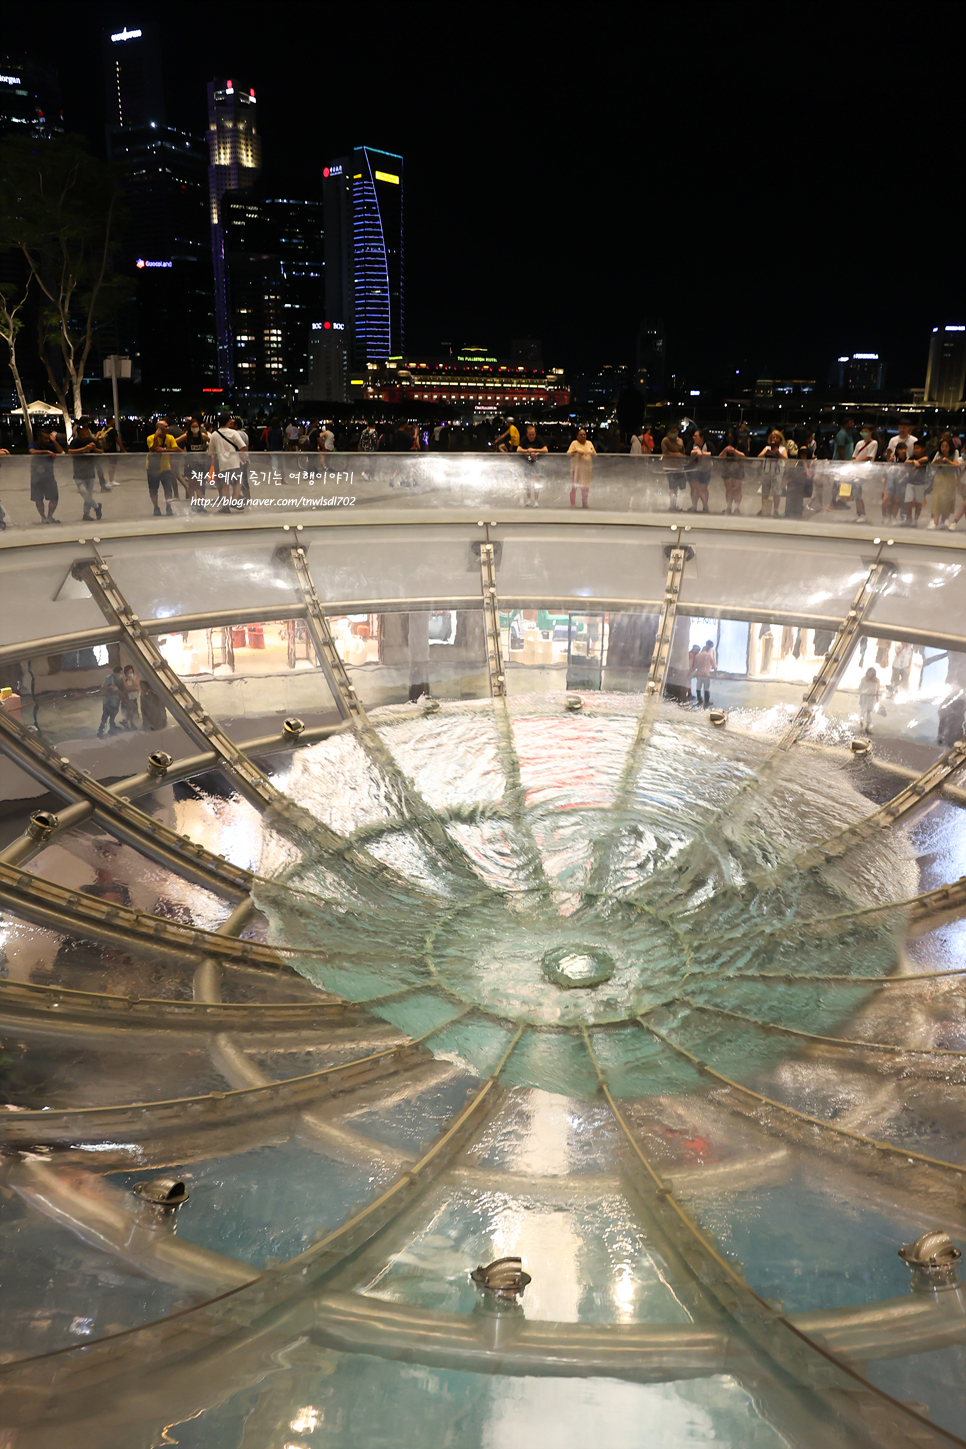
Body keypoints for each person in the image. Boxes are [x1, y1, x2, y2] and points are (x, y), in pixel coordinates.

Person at [209, 413, 248, 509]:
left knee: (224, 484)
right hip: (234, 461)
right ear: (228, 422)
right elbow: (242, 446)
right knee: (239, 480)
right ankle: (234, 500)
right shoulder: (233, 433)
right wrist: (242, 456)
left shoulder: (214, 434)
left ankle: (225, 506)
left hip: (222, 463)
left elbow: (211, 451)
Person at [68, 419, 103, 522]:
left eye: (87, 434)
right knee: (84, 493)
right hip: (78, 472)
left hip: (90, 471)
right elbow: (69, 451)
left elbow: (101, 451)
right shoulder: (75, 442)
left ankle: (86, 513)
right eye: (83, 434)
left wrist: (95, 449)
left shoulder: (92, 441)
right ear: (78, 435)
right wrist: (84, 448)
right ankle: (97, 507)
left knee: (89, 494)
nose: (85, 436)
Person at [145, 418, 181, 515]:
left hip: (166, 468)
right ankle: (156, 507)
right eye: (165, 426)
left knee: (168, 489)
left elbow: (176, 449)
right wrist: (156, 438)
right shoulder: (150, 438)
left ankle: (168, 507)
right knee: (153, 489)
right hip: (152, 468)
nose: (168, 428)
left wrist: (164, 450)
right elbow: (154, 450)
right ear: (159, 428)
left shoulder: (170, 438)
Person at [29, 426, 63, 524]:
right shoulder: (34, 445)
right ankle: (43, 517)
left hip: (49, 476)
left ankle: (50, 516)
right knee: (38, 498)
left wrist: (54, 441)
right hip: (36, 477)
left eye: (48, 438)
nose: (47, 440)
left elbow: (61, 451)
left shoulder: (51, 445)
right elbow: (32, 452)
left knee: (54, 497)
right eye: (45, 438)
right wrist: (47, 452)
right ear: (39, 438)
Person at [928, 432, 961, 529]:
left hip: (950, 478)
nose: (944, 448)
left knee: (948, 499)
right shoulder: (938, 454)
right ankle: (935, 521)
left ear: (950, 447)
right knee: (937, 499)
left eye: (946, 446)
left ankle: (945, 519)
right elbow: (932, 466)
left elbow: (956, 464)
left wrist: (947, 461)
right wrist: (937, 460)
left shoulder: (955, 453)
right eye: (942, 446)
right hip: (939, 478)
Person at [847, 424, 878, 521]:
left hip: (865, 471)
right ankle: (859, 513)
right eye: (862, 431)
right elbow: (854, 456)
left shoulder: (874, 443)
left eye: (866, 431)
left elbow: (869, 457)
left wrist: (856, 461)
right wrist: (852, 463)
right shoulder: (859, 443)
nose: (864, 433)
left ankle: (863, 514)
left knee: (859, 493)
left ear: (871, 432)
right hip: (856, 470)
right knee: (856, 493)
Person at [175, 416, 210, 502]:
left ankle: (200, 502)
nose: (195, 428)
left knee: (199, 485)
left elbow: (212, 442)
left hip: (200, 463)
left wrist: (208, 450)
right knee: (191, 484)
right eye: (193, 427)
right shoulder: (187, 436)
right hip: (189, 463)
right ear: (190, 428)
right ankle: (193, 502)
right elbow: (174, 442)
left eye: (196, 426)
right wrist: (182, 451)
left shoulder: (203, 436)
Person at [757, 430, 787, 517]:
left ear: (780, 439)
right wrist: (767, 452)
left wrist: (778, 453)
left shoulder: (782, 449)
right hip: (767, 472)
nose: (774, 439)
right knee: (765, 491)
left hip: (777, 472)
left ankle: (776, 510)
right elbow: (759, 456)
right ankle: (764, 509)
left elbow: (786, 458)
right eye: (773, 437)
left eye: (776, 437)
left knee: (776, 491)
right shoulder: (767, 448)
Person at [517, 424, 548, 506]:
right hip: (527, 463)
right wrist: (528, 451)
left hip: (536, 463)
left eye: (533, 434)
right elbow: (518, 449)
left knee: (536, 480)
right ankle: (528, 499)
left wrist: (534, 450)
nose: (532, 436)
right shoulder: (524, 439)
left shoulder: (539, 439)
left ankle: (536, 500)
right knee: (527, 482)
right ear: (527, 434)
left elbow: (545, 450)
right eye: (530, 435)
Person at [903, 439, 931, 527]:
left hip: (920, 483)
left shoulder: (925, 457)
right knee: (908, 501)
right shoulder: (913, 457)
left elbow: (926, 459)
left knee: (919, 502)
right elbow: (906, 462)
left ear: (923, 449)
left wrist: (917, 461)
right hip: (910, 482)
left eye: (918, 448)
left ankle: (915, 519)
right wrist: (913, 461)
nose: (916, 450)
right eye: (915, 448)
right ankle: (909, 518)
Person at [718, 428, 746, 514]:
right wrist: (725, 450)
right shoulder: (722, 444)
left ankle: (737, 507)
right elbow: (719, 456)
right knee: (729, 489)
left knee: (737, 488)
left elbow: (744, 456)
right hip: (727, 469)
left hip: (738, 468)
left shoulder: (741, 444)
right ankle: (729, 507)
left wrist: (734, 451)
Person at [567, 427, 596, 508]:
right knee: (574, 487)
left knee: (585, 487)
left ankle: (585, 502)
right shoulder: (574, 443)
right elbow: (568, 454)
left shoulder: (589, 443)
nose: (583, 436)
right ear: (577, 436)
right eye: (581, 435)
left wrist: (591, 453)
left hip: (586, 470)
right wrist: (576, 451)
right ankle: (573, 503)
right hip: (576, 469)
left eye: (584, 434)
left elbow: (595, 454)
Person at [661, 421, 686, 510]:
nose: (674, 434)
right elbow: (666, 453)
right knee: (672, 486)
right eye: (672, 431)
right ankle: (672, 505)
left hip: (679, 467)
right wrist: (676, 454)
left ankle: (674, 504)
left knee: (678, 487)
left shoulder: (680, 441)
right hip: (669, 467)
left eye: (675, 432)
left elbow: (683, 453)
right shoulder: (665, 440)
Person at [95, 415, 126, 487]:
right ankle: (111, 480)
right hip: (112, 450)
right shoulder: (112, 430)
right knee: (112, 465)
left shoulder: (103, 429)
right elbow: (118, 441)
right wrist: (124, 449)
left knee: (108, 465)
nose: (114, 421)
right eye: (113, 420)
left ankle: (108, 480)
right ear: (111, 420)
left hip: (104, 449)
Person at [687, 428, 712, 512]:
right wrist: (695, 451)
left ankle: (705, 506)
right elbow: (687, 452)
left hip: (705, 469)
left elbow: (715, 453)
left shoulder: (708, 444)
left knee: (703, 488)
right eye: (693, 436)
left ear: (702, 437)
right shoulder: (691, 444)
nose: (694, 437)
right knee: (694, 488)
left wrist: (703, 453)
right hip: (693, 469)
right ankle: (694, 506)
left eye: (696, 436)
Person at [97, 665, 124, 737]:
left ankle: (112, 727)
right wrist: (111, 687)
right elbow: (102, 688)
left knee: (113, 714)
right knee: (105, 715)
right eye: (120, 673)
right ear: (116, 673)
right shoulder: (109, 678)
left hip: (115, 699)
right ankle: (100, 731)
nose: (121, 675)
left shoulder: (119, 678)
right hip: (108, 700)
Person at [694, 639, 716, 706]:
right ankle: (707, 701)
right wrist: (713, 670)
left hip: (699, 673)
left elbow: (695, 665)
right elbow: (713, 665)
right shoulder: (709, 656)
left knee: (698, 686)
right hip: (706, 673)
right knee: (706, 687)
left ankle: (699, 698)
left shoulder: (697, 656)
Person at [119, 664, 140, 729]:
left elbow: (137, 686)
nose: (130, 674)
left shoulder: (135, 677)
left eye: (131, 673)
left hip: (134, 697)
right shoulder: (124, 678)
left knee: (133, 712)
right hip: (127, 698)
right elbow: (126, 688)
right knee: (129, 711)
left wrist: (132, 680)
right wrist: (133, 688)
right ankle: (130, 724)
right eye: (129, 673)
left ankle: (126, 722)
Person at [858, 667, 879, 732]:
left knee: (869, 712)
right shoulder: (863, 679)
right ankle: (861, 727)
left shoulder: (877, 681)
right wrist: (861, 697)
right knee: (863, 712)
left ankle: (867, 726)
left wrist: (877, 700)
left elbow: (877, 691)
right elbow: (860, 689)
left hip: (871, 698)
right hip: (864, 697)